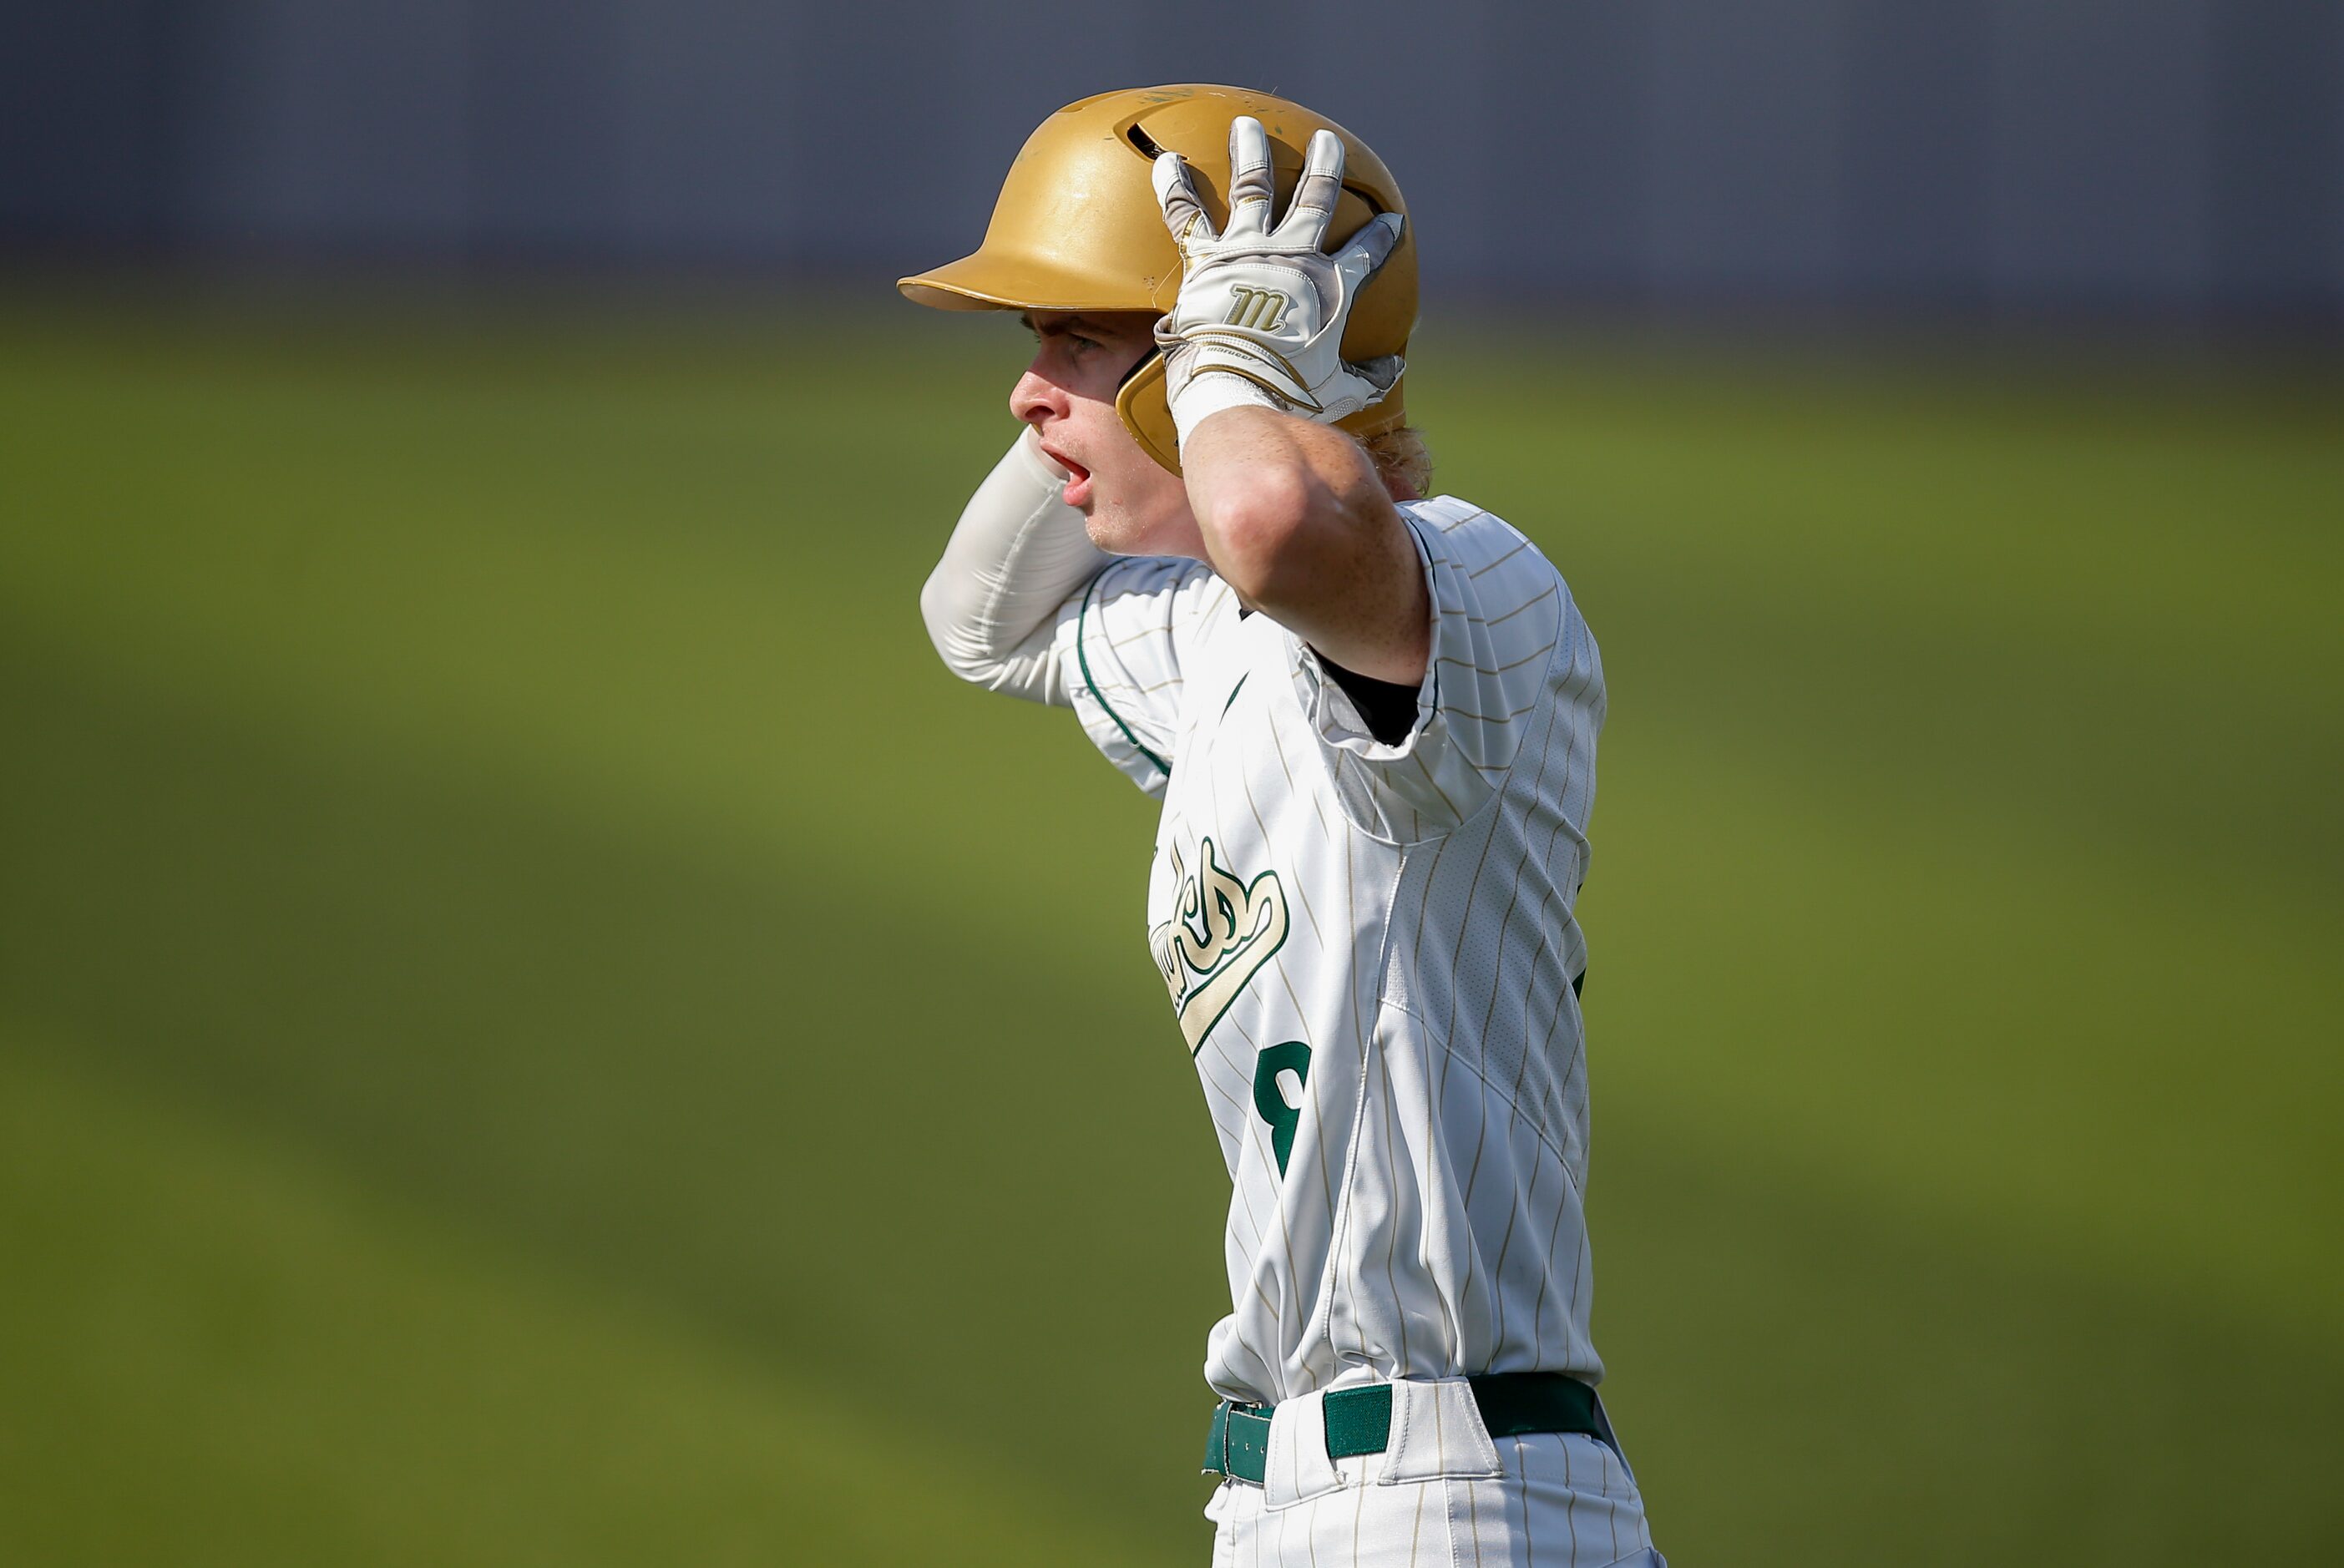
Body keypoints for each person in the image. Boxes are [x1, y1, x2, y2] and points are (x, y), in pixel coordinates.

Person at [904, 85, 1664, 1567]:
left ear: (1232, 351)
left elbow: (1279, 524)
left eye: (1075, 341)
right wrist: (1172, 384)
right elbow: (978, 619)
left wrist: (1228, 358)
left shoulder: (1470, 582)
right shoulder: (1212, 647)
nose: (1026, 391)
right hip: (1294, 1503)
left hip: (1457, 1499)